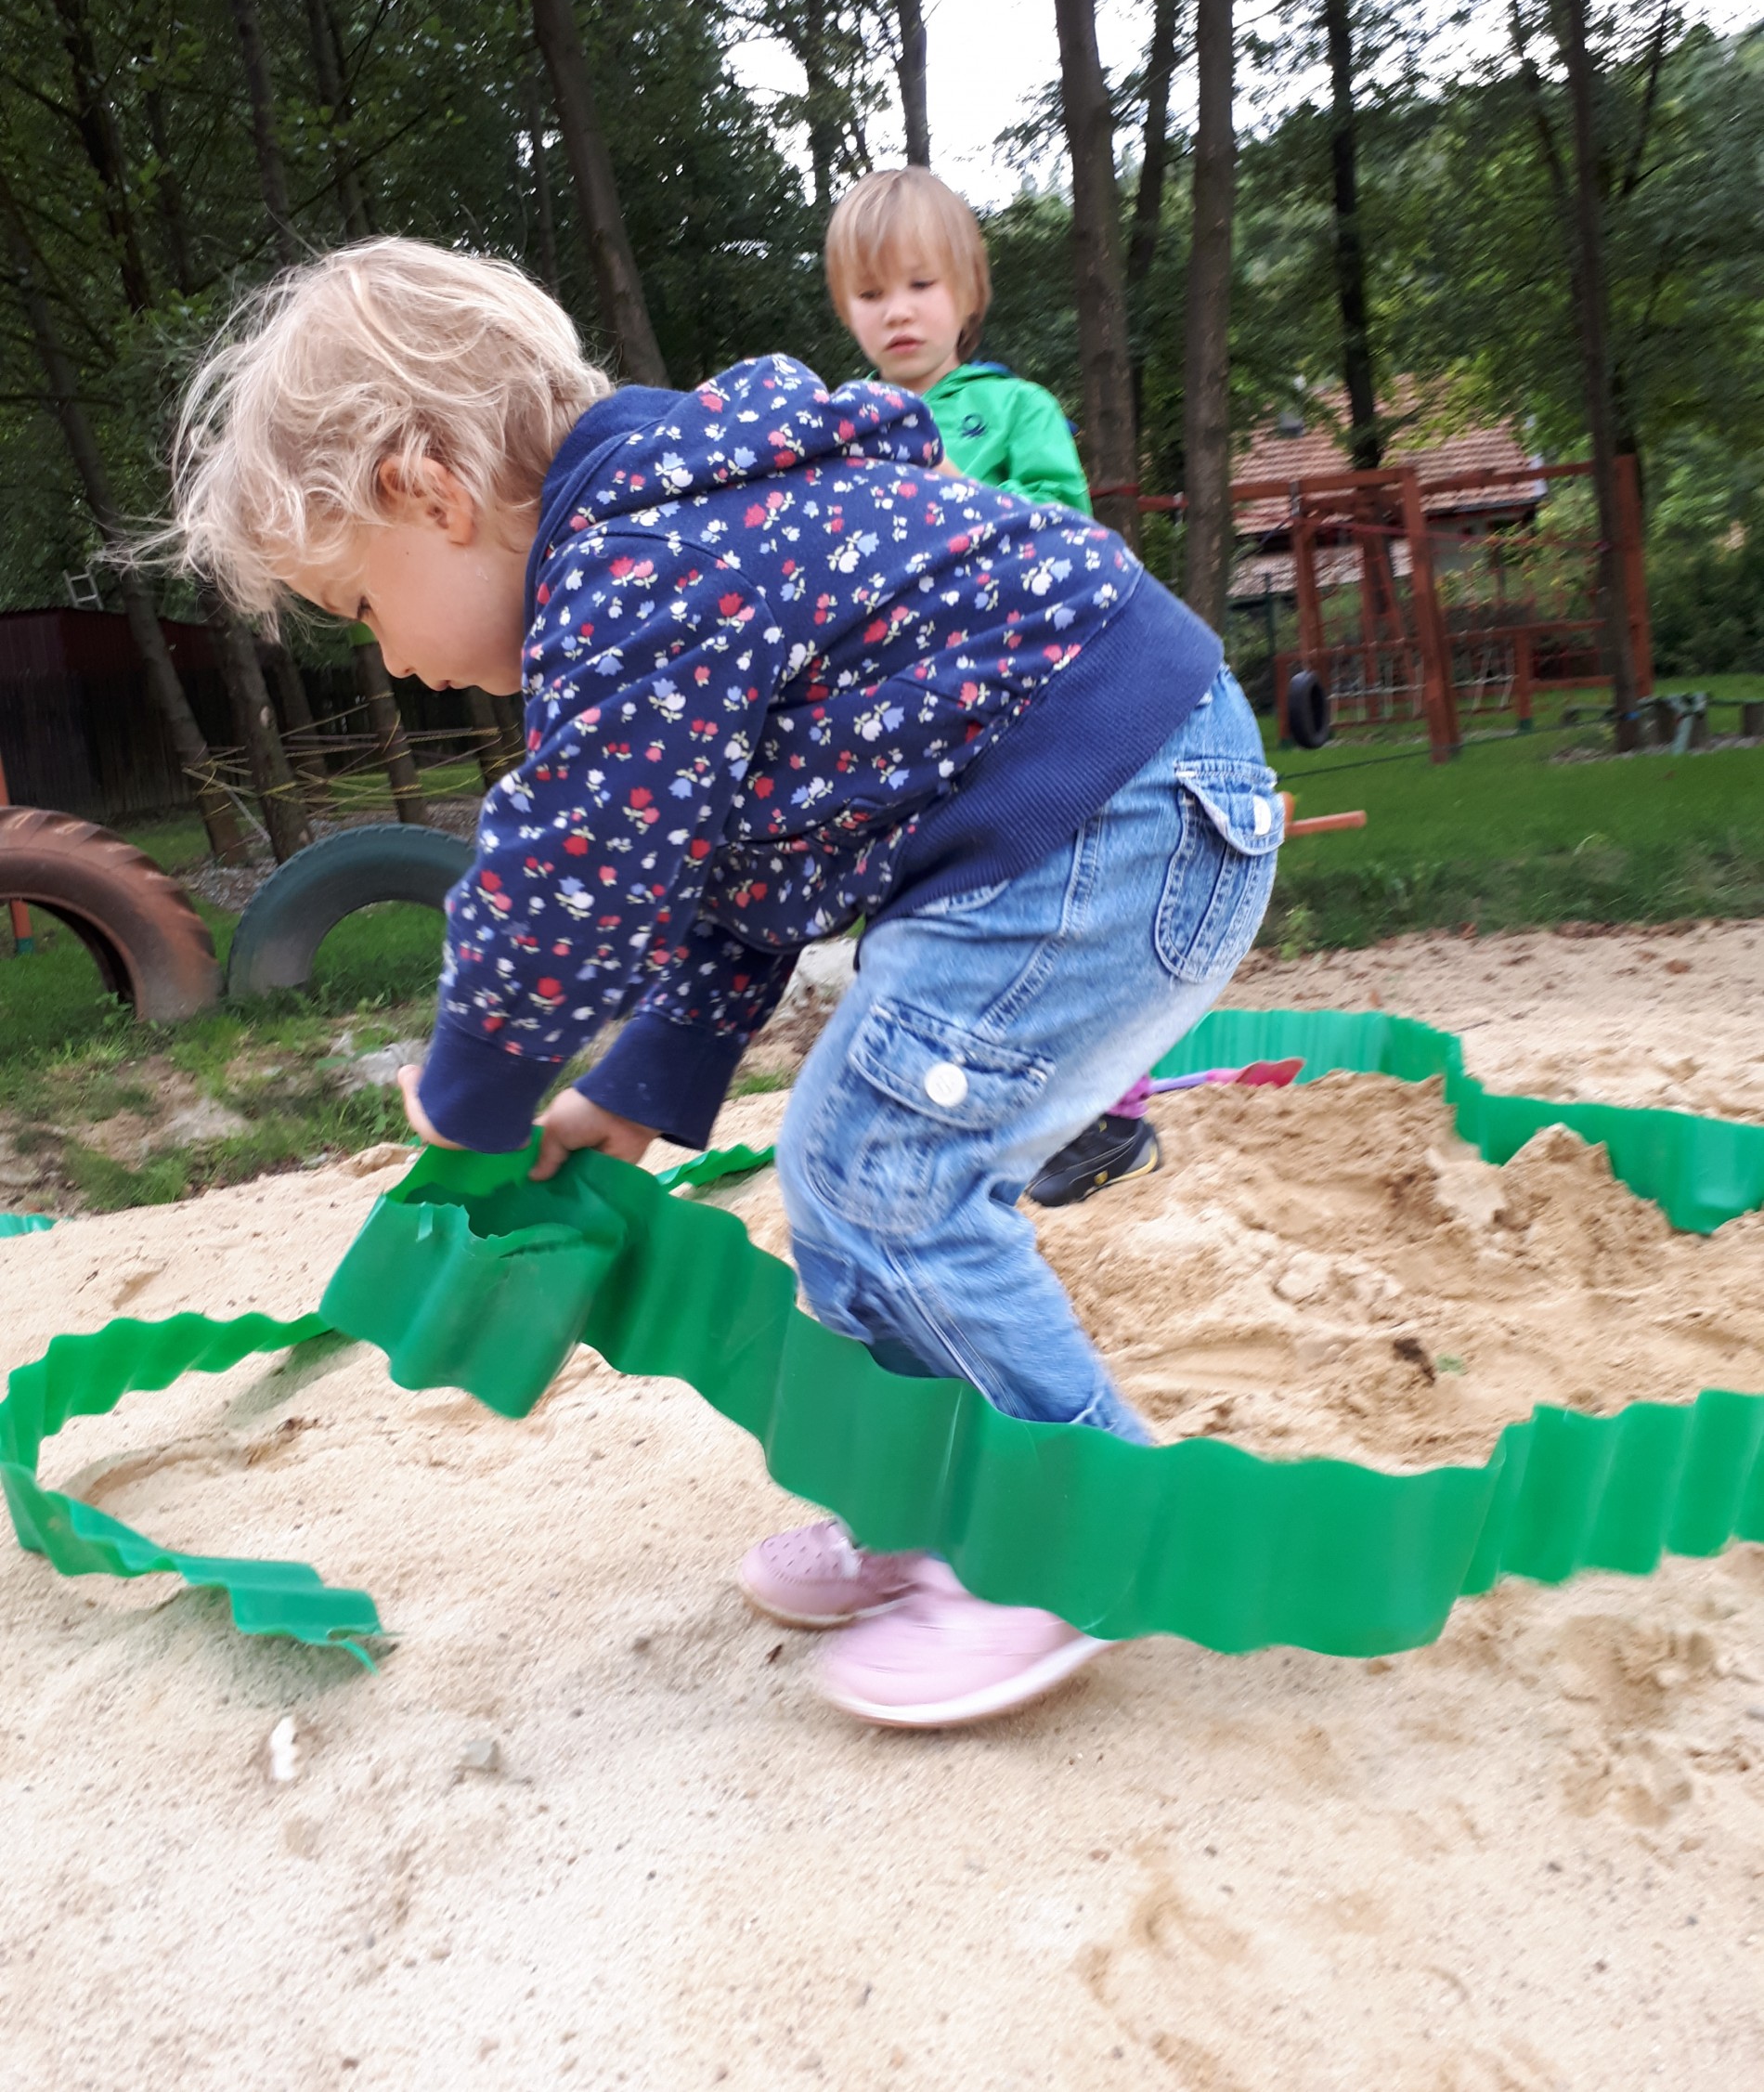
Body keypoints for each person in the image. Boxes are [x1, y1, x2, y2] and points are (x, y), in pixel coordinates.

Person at [171, 235, 1281, 1730]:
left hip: (1115, 813)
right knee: (852, 1171)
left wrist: (476, 1080)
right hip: (1086, 819)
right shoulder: (674, 543)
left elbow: (575, 872)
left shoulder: (631, 566)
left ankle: (1071, 1530)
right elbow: (732, 877)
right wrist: (639, 1087)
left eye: (361, 605)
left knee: (877, 1174)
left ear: (430, 491)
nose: (391, 659)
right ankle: (934, 1494)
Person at [825, 166, 1161, 1208]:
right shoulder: (839, 428)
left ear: (967, 294)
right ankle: (952, 1107)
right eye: (871, 292)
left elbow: (1068, 526)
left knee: (1057, 897)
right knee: (925, 915)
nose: (897, 310)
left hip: (1023, 703)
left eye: (919, 285)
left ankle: (1110, 1116)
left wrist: (952, 498)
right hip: (908, 724)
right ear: (845, 309)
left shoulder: (1013, 408)